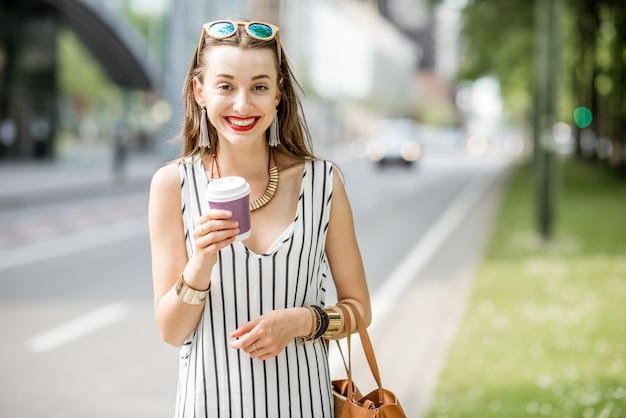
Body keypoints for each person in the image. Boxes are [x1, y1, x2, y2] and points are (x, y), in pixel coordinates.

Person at [148, 19, 371, 417]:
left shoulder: (322, 183)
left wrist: (304, 321)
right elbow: (171, 331)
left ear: (278, 94)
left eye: (259, 87)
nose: (243, 105)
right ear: (200, 91)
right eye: (226, 86)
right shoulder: (172, 185)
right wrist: (200, 263)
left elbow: (359, 311)